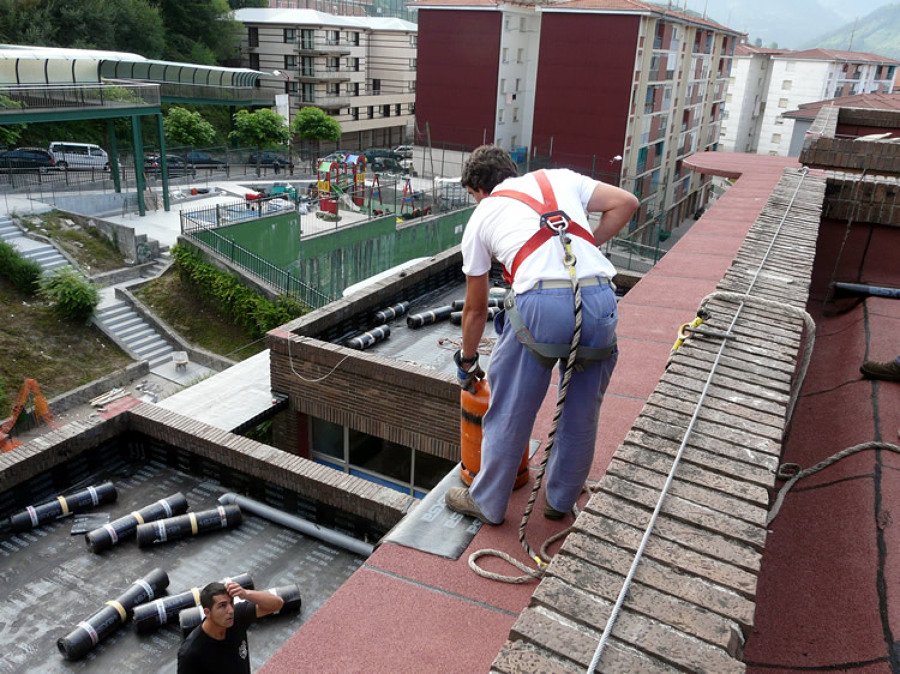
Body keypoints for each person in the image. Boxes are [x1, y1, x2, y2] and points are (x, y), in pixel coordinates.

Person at [445, 145, 639, 525]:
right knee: (582, 411)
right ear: (511, 172)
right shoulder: (560, 177)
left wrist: (467, 362)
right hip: (598, 297)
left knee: (510, 409)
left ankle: (488, 502)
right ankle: (560, 500)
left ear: (479, 190)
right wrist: (585, 247)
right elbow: (626, 202)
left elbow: (476, 310)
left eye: (473, 196)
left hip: (540, 306)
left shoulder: (483, 214)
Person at [177, 580, 284, 674]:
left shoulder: (237, 617)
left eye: (231, 602)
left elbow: (277, 604)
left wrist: (246, 593)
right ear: (207, 612)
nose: (231, 610)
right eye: (222, 605)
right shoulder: (191, 653)